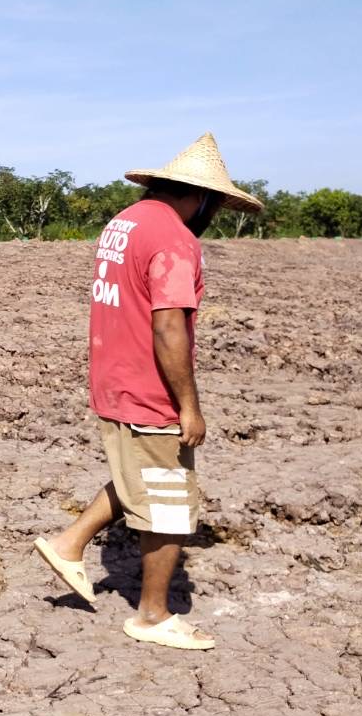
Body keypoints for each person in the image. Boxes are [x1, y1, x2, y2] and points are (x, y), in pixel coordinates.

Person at [35, 133, 262, 650]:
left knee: (136, 475)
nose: (216, 216)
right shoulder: (176, 240)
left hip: (113, 377)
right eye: (218, 206)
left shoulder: (125, 222)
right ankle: (153, 616)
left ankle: (68, 544)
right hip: (148, 388)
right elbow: (168, 328)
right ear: (200, 196)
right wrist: (189, 405)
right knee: (169, 502)